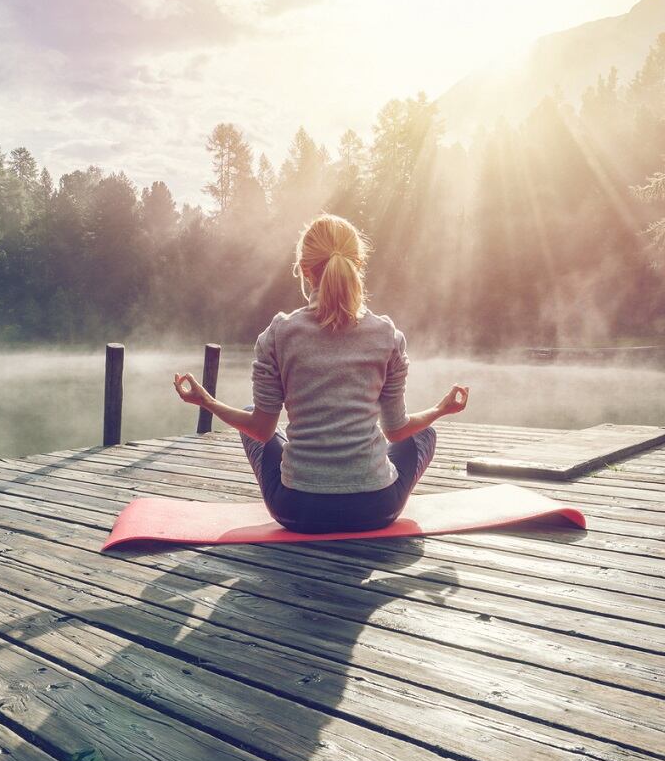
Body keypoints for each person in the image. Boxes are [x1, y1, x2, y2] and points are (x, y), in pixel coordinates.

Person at [174, 214, 468, 533]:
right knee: (422, 433)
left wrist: (206, 401)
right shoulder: (387, 335)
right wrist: (442, 409)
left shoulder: (278, 334)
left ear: (304, 269)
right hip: (377, 508)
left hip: (297, 510)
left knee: (254, 418)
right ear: (358, 266)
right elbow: (396, 430)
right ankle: (367, 474)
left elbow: (260, 429)